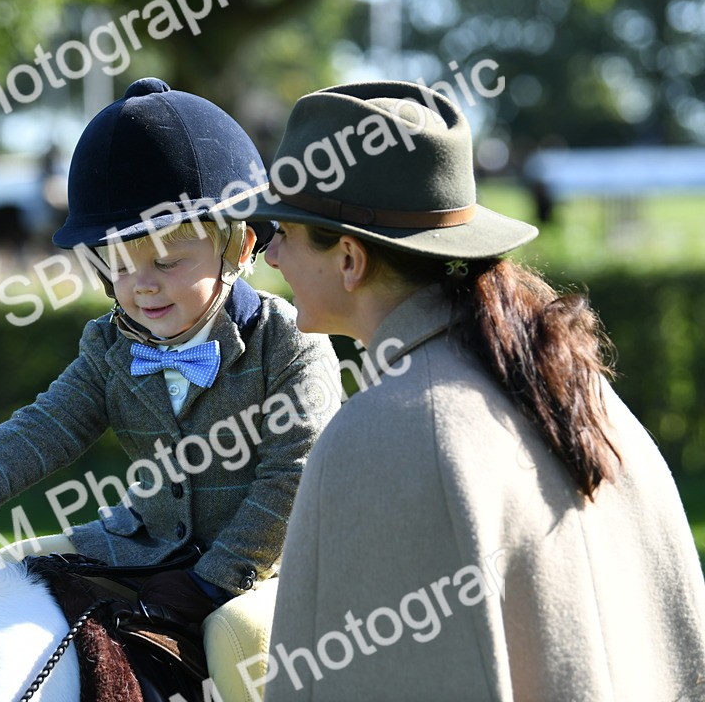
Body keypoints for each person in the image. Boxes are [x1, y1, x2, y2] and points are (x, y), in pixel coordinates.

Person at [214, 80, 705, 699]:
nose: (271, 255)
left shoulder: (387, 434)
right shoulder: (568, 383)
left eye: (282, 229)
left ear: (349, 259)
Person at [0, 77, 340, 636]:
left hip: (266, 567)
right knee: (2, 581)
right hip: (141, 546)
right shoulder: (111, 343)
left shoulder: (290, 344)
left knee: (234, 640)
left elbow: (291, 479)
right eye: (119, 265)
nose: (142, 288)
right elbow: (48, 424)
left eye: (166, 263)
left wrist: (212, 580)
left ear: (239, 246)